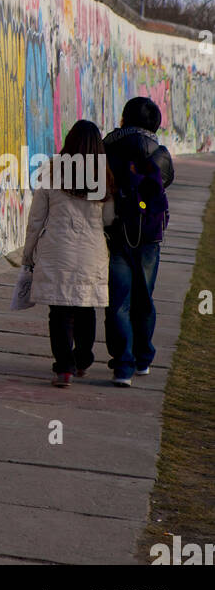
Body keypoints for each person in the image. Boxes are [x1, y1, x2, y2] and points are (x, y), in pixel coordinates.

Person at [21, 120, 113, 387]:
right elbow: (108, 219)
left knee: (59, 311)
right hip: (91, 252)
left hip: (57, 251)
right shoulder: (104, 176)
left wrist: (28, 255)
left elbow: (36, 219)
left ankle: (64, 369)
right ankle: (83, 360)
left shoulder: (51, 171)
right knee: (85, 307)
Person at [102, 97, 174, 386]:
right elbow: (164, 183)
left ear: (124, 118)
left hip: (116, 233)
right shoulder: (160, 152)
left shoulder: (107, 147)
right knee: (144, 299)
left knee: (118, 301)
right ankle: (143, 359)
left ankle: (123, 366)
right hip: (149, 235)